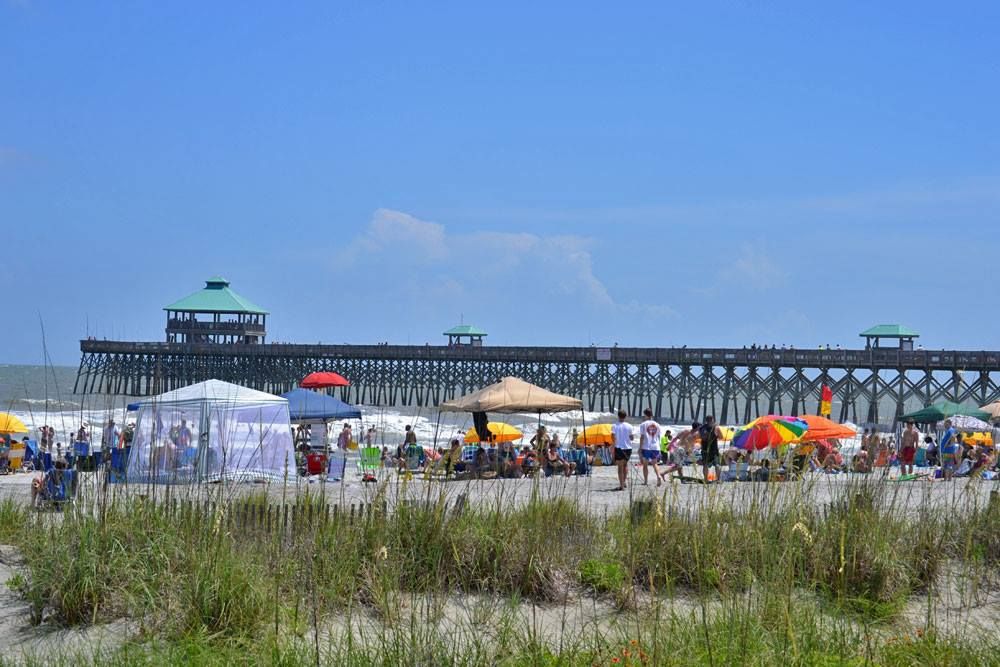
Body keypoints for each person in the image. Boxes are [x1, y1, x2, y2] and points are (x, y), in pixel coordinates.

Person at [638, 408, 663, 487]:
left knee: (645, 464)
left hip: (646, 446)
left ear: (645, 415)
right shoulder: (657, 424)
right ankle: (658, 476)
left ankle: (645, 481)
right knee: (655, 463)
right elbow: (659, 437)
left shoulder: (643, 424)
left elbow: (642, 437)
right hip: (655, 446)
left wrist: (640, 447)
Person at [611, 410, 633, 491]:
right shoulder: (629, 426)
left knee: (620, 467)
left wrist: (613, 446)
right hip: (628, 448)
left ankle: (621, 486)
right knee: (625, 465)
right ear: (625, 416)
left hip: (619, 447)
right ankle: (623, 482)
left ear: (618, 416)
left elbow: (613, 437)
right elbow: (632, 438)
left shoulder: (614, 425)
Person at [698, 416, 723, 483]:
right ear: (712, 420)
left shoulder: (701, 428)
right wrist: (716, 436)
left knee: (705, 464)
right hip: (714, 449)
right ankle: (718, 479)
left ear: (706, 420)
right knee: (717, 464)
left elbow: (700, 437)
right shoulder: (716, 427)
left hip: (704, 448)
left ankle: (706, 479)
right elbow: (721, 437)